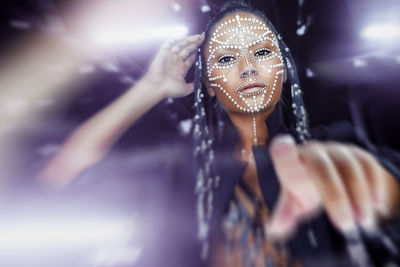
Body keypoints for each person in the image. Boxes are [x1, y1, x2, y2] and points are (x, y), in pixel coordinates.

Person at [40, 2, 400, 267]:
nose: (246, 69)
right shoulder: (184, 172)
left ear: (285, 70)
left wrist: (382, 188)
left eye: (261, 52)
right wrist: (150, 87)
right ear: (209, 86)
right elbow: (62, 174)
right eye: (226, 59)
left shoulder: (335, 146)